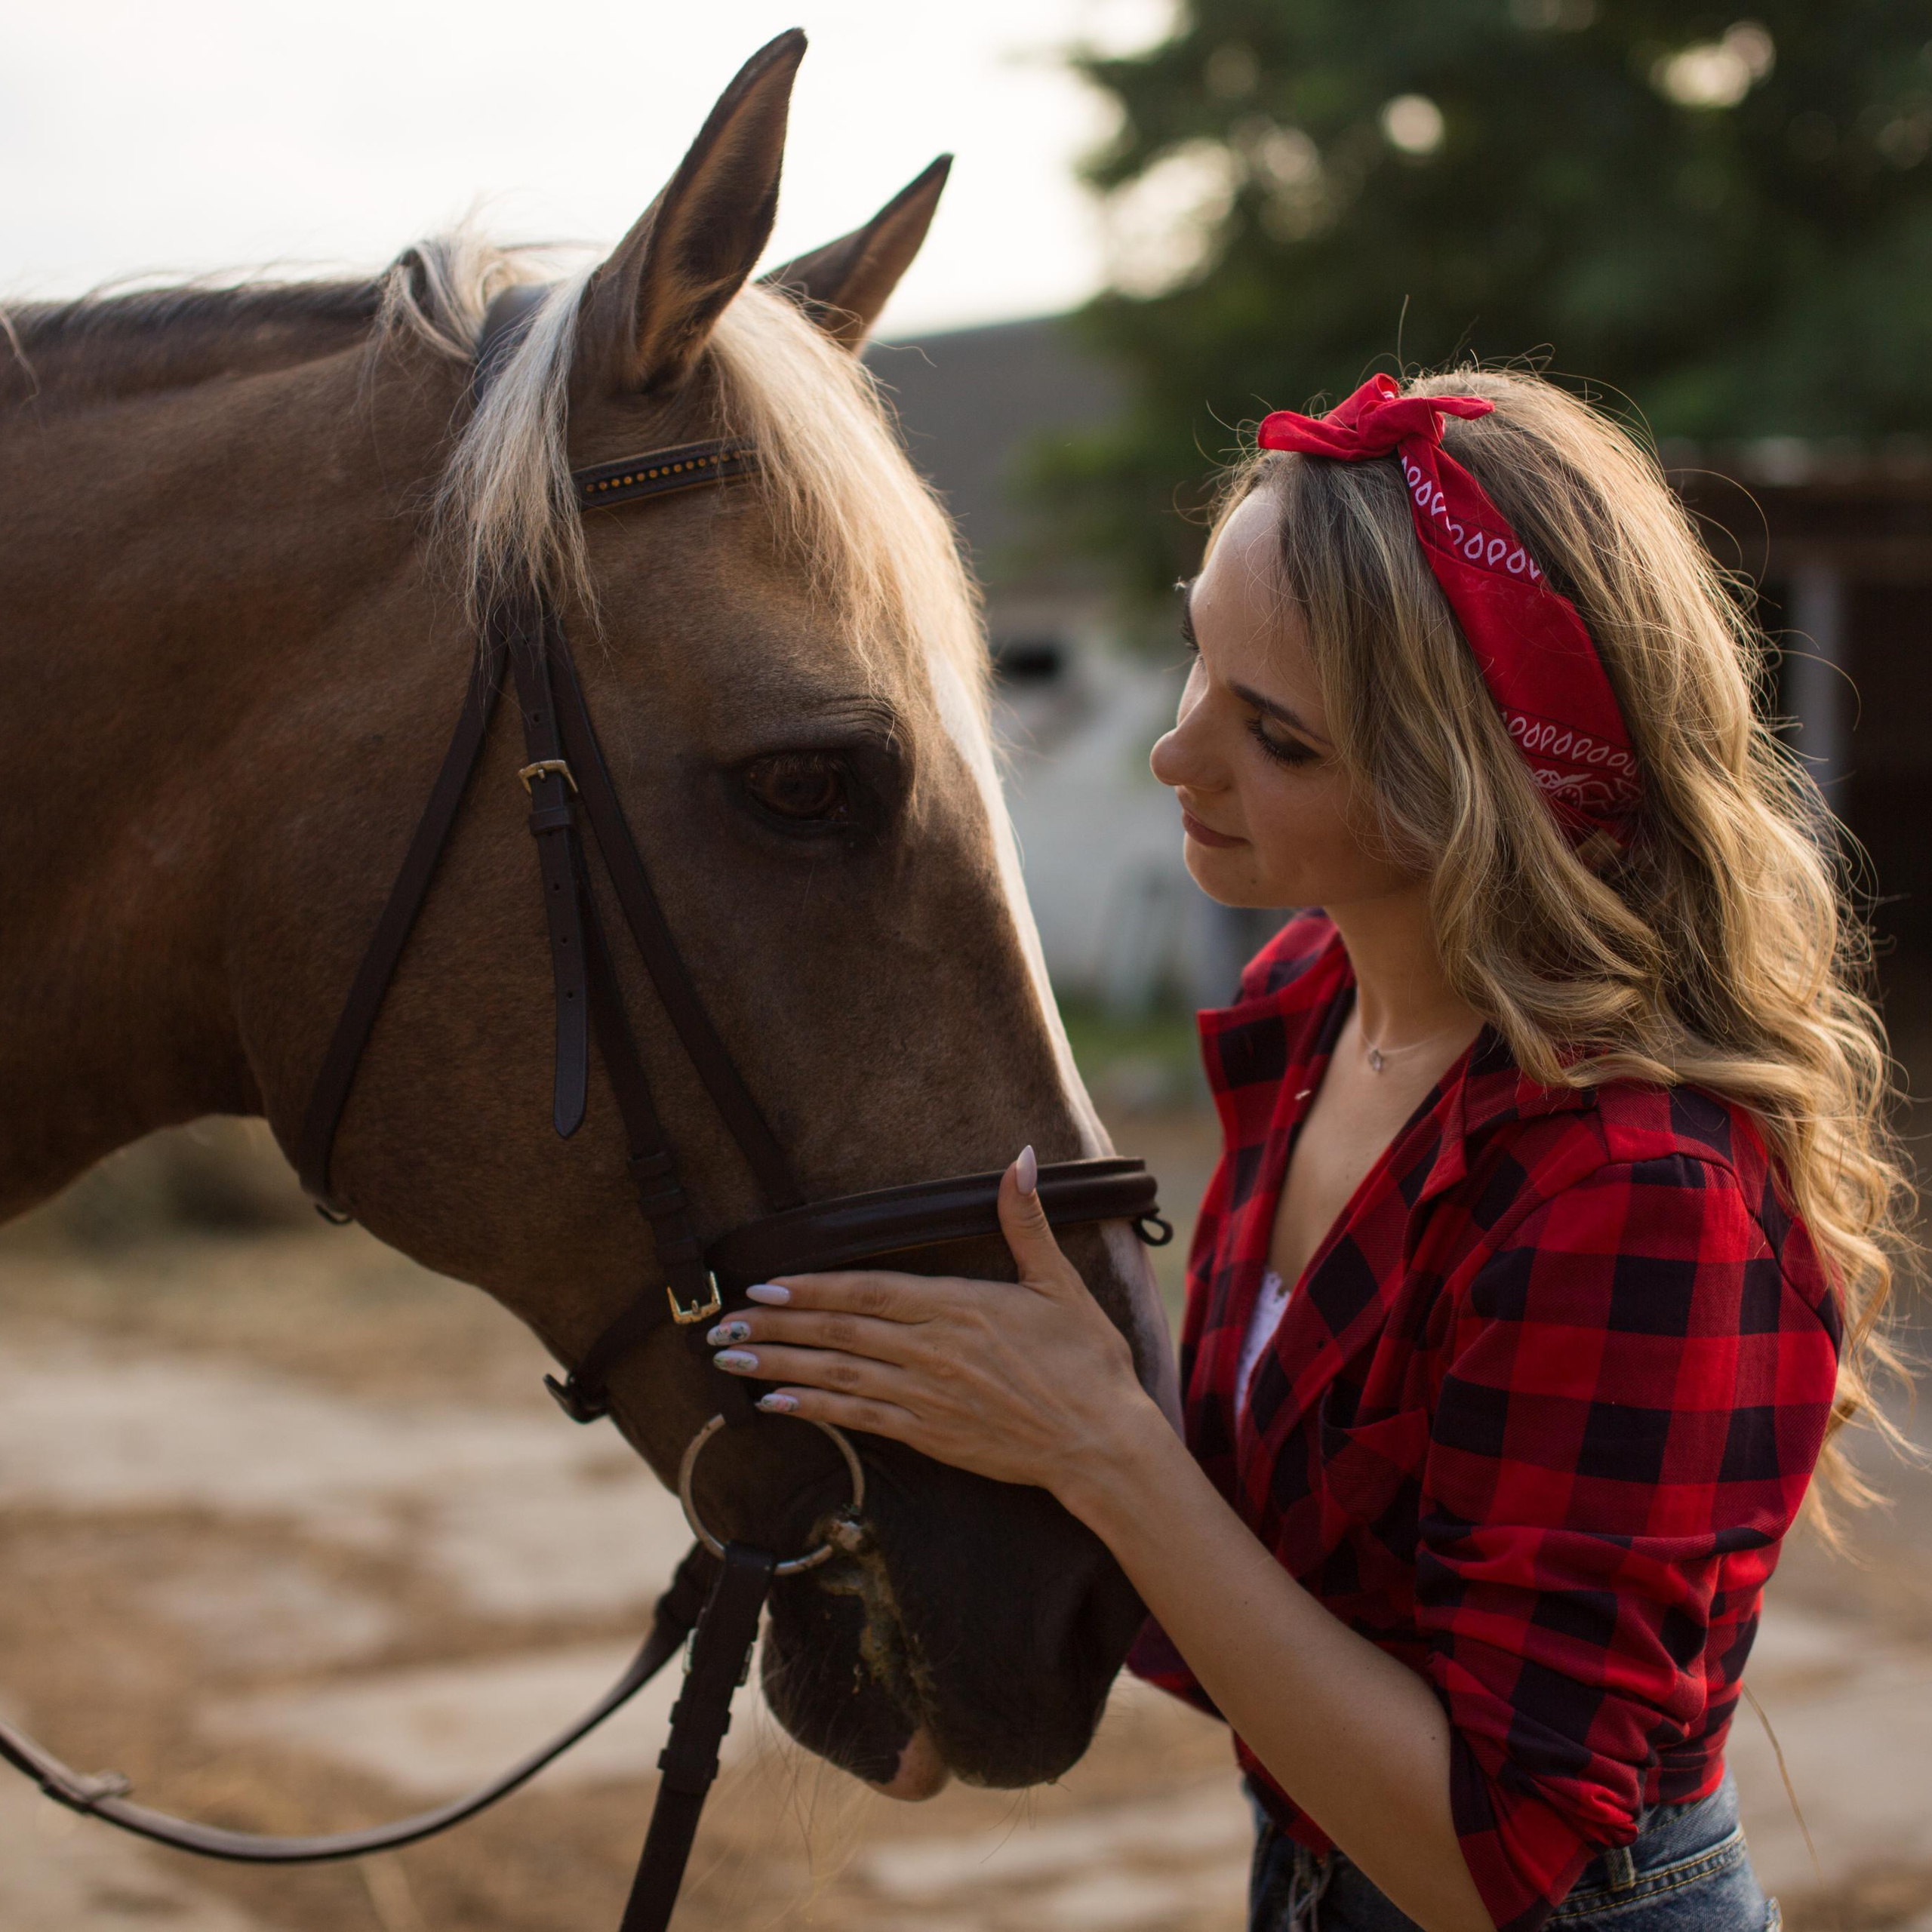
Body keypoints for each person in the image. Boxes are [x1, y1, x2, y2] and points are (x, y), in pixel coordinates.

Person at [698, 368, 1907, 1930]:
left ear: (1476, 789)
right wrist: (937, 1573)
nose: (1174, 756)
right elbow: (1284, 1561)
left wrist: (1100, 1450)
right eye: (1199, 659)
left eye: (1274, 737)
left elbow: (1491, 1859)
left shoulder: (1632, 1189)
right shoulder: (1310, 997)